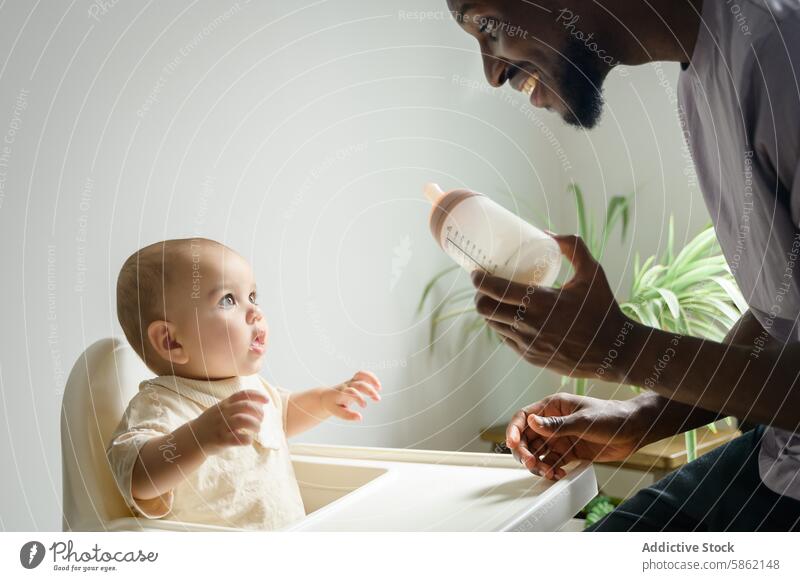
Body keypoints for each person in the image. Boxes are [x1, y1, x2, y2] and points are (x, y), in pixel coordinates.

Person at [446, 0, 800, 530]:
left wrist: (623, 350)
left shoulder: (783, 59)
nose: (491, 72)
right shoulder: (702, 77)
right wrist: (644, 415)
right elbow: (783, 318)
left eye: (484, 23)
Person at [107, 238, 381, 529]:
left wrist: (325, 401)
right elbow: (137, 476)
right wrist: (198, 438)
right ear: (171, 341)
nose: (256, 312)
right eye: (228, 300)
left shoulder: (252, 386)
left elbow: (282, 416)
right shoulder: (160, 405)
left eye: (252, 296)